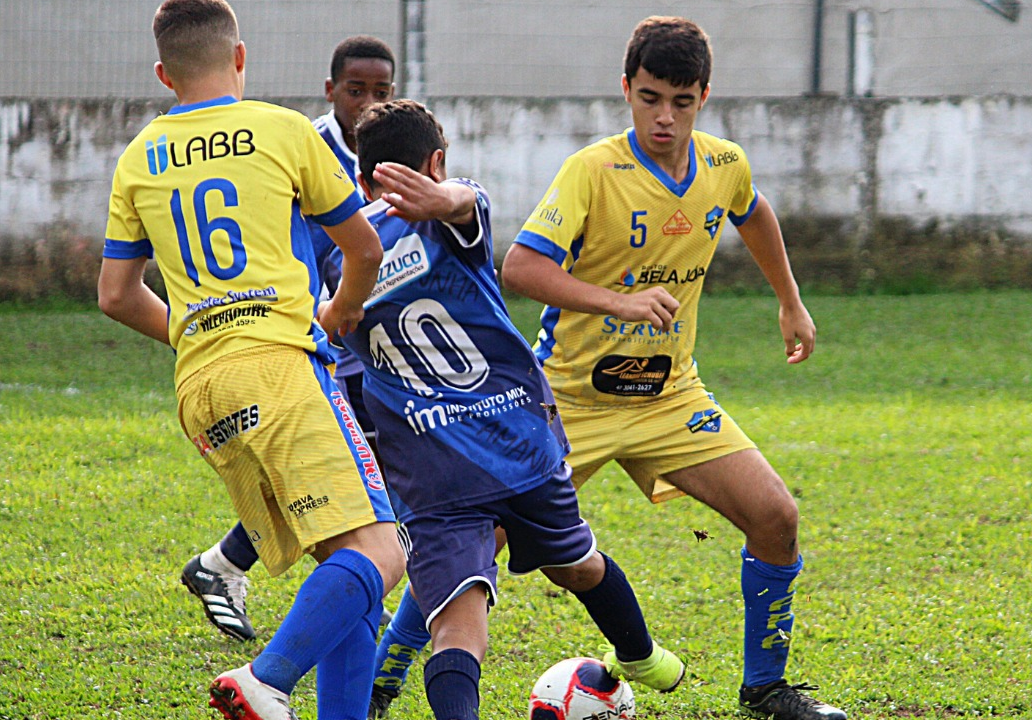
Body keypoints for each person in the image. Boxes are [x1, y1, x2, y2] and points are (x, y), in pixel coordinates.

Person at [476, 15, 837, 720]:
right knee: (474, 543)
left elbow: (753, 213)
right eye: (649, 98)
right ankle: (386, 674)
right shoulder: (593, 170)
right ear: (626, 89)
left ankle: (766, 686)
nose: (664, 117)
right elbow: (521, 266)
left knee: (776, 517)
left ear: (705, 94)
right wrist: (620, 301)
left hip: (670, 397)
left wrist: (791, 303)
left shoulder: (725, 164)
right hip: (569, 400)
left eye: (680, 100)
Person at [324, 98, 686, 720]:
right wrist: (451, 197)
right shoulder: (454, 220)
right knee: (578, 564)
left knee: (459, 632)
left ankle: (639, 655)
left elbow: (336, 325)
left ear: (360, 180)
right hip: (514, 438)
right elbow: (467, 202)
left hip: (428, 468)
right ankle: (642, 654)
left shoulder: (343, 257)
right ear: (436, 161)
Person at [97, 2, 403, 718]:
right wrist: (341, 313)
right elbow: (363, 248)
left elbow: (116, 295)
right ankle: (265, 679)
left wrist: (202, 334)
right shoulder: (284, 130)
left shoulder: (139, 155)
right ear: (240, 58)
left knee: (344, 560)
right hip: (283, 367)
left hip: (201, 387)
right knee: (386, 551)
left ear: (163, 73)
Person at [180, 35, 425, 657]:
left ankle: (229, 564)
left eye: (381, 91)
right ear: (330, 89)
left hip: (355, 334)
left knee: (354, 480)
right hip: (316, 336)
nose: (369, 101)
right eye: (356, 90)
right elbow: (339, 245)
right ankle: (289, 614)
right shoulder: (304, 143)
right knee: (364, 484)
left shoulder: (391, 144)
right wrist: (336, 304)